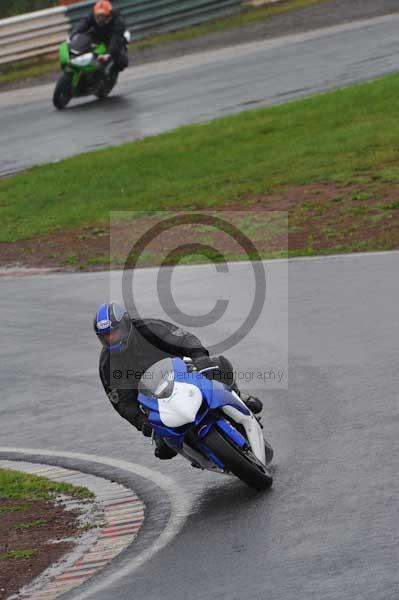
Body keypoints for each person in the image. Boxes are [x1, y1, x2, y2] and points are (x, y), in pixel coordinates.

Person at [94, 302, 263, 460]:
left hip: (181, 375)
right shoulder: (107, 364)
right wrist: (142, 422)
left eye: (114, 332)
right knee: (164, 449)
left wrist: (199, 355)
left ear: (126, 324)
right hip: (153, 400)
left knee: (217, 365)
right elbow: (122, 402)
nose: (111, 339)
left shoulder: (149, 328)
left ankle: (238, 396)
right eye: (106, 336)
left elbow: (182, 338)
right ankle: (197, 453)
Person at [71, 0, 128, 73]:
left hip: (111, 38)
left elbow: (115, 39)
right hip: (98, 35)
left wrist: (108, 53)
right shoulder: (92, 14)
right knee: (85, 40)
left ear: (109, 15)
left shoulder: (118, 20)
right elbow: (83, 26)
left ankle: (110, 74)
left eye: (103, 17)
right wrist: (72, 35)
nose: (100, 19)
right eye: (98, 17)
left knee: (122, 62)